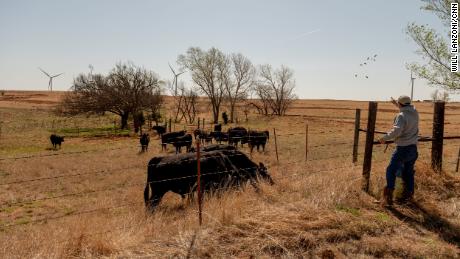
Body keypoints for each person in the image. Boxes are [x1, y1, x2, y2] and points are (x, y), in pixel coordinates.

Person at [378, 95, 419, 206]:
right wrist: (396, 104)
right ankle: (409, 197)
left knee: (391, 170)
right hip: (413, 149)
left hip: (403, 149)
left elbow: (397, 131)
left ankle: (388, 198)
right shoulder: (414, 112)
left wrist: (384, 138)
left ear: (400, 104)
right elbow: (405, 108)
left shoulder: (401, 116)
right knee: (408, 173)